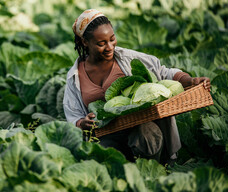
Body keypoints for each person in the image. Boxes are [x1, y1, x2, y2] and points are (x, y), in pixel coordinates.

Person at [63, 9, 211, 163]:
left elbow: (164, 73)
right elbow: (73, 115)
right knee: (102, 158)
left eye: (112, 39)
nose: (109, 47)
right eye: (101, 43)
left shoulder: (128, 58)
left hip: (141, 127)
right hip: (106, 133)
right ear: (85, 42)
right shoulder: (75, 76)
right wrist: (82, 123)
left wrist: (190, 81)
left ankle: (154, 170)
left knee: (146, 134)